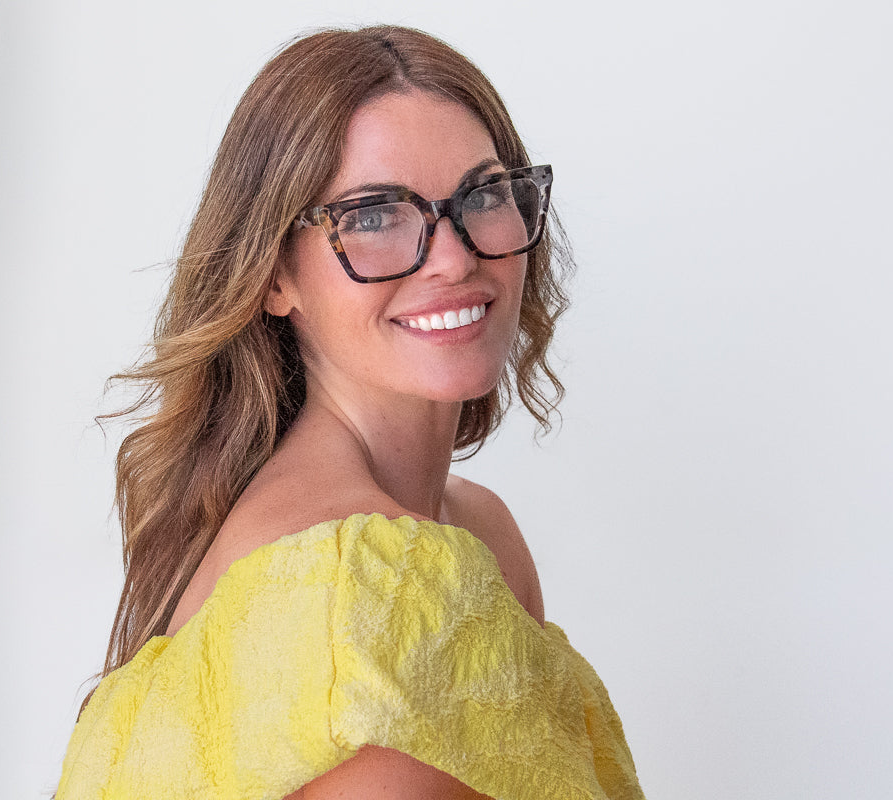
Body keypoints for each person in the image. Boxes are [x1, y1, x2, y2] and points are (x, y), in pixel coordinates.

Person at [55, 25, 644, 800]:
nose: (454, 258)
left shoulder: (474, 530)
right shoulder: (364, 583)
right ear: (274, 276)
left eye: (483, 195)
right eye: (372, 215)